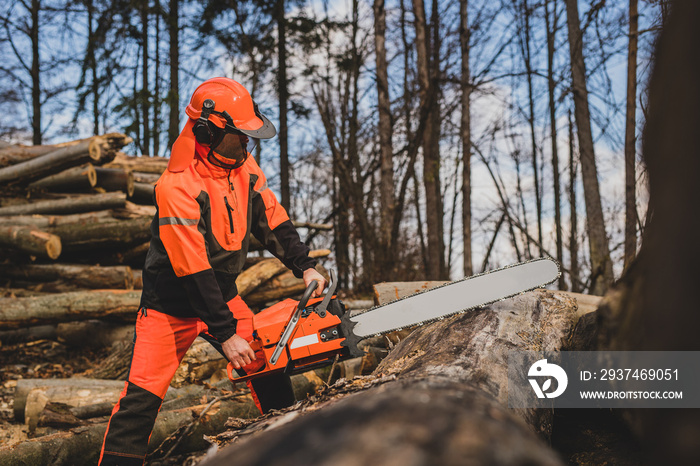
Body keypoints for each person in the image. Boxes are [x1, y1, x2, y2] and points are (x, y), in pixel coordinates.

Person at [99, 77, 327, 466]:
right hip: (169, 306)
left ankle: (287, 451)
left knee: (264, 363)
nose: (246, 144)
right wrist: (224, 333)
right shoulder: (178, 186)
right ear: (207, 132)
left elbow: (271, 218)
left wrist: (304, 265)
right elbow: (192, 268)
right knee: (141, 400)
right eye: (238, 137)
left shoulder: (242, 166)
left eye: (248, 136)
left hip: (220, 294)